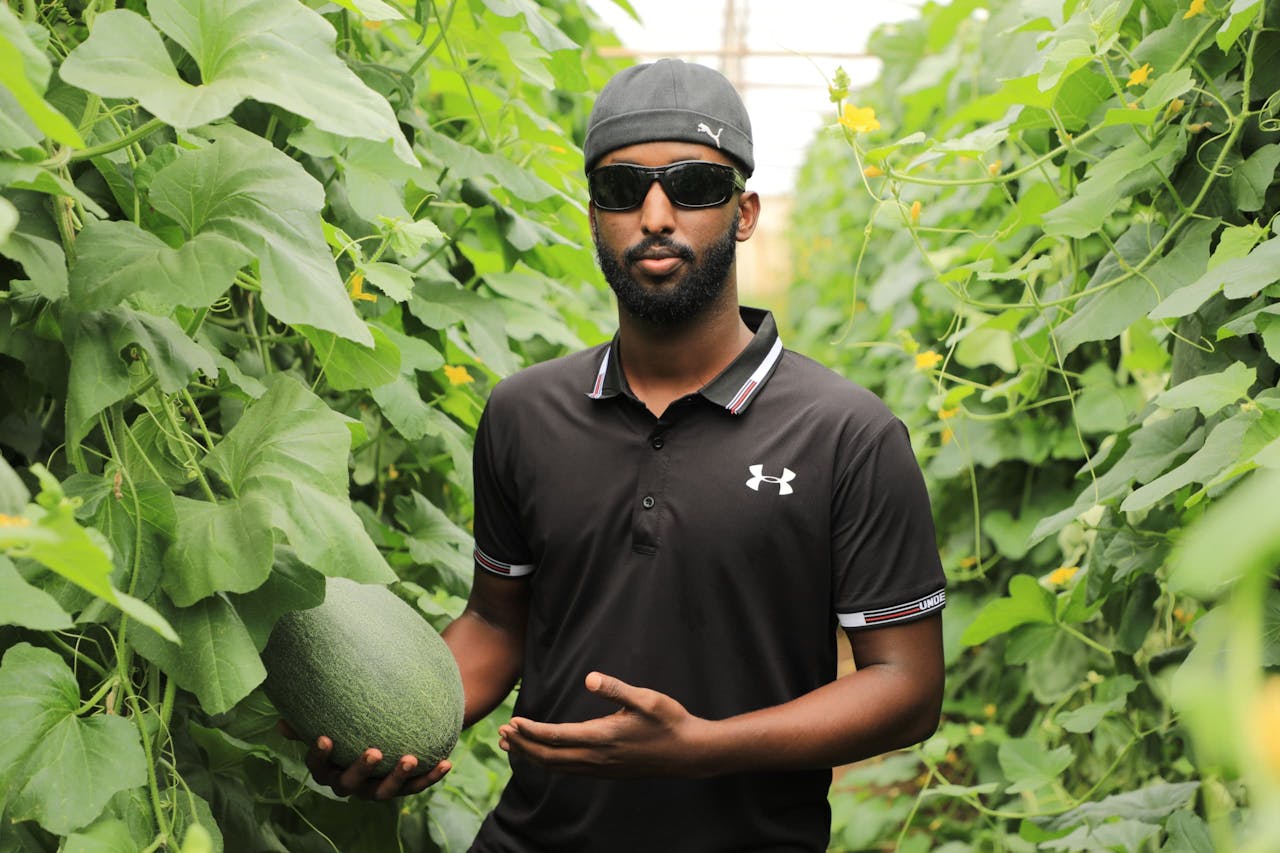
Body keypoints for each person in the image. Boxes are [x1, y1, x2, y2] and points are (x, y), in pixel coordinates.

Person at [299, 59, 946, 851]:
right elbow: (497, 621)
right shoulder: (523, 413)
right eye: (621, 189)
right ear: (594, 214)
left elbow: (908, 688)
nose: (656, 214)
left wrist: (703, 748)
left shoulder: (848, 434)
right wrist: (399, 724)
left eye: (694, 186)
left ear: (744, 213)